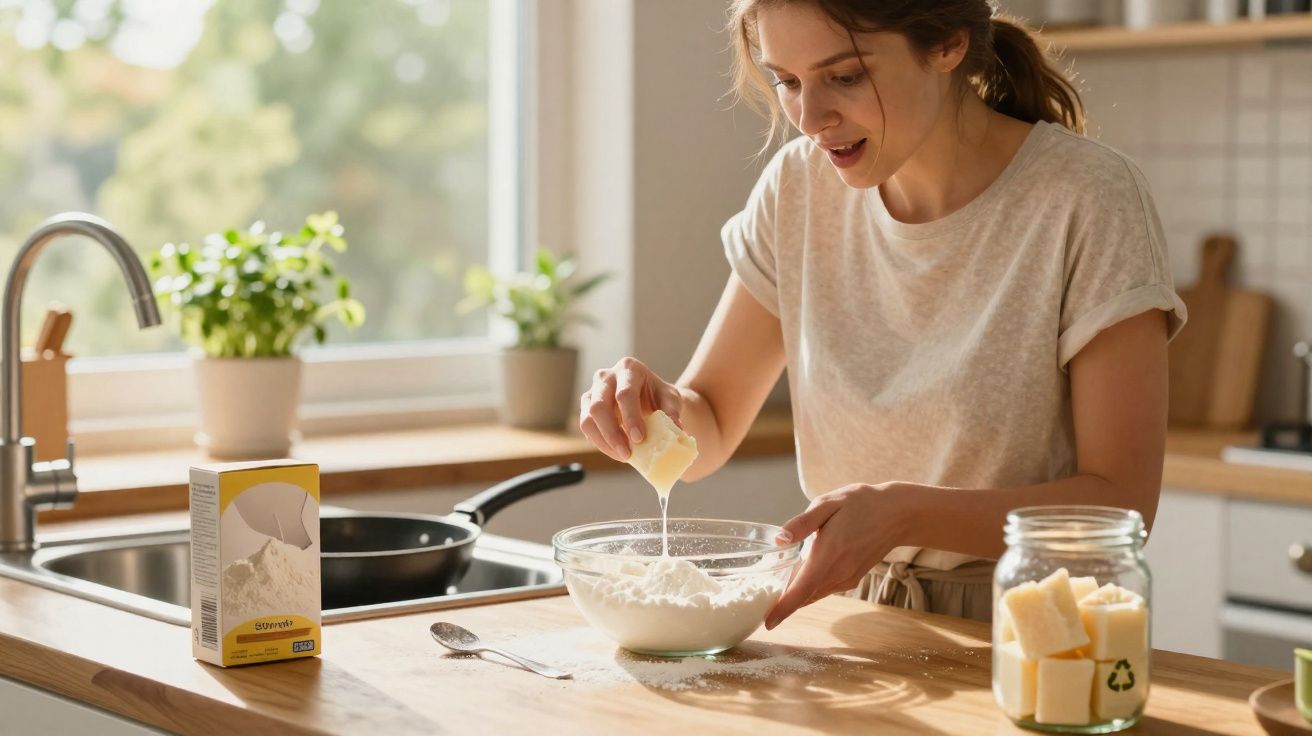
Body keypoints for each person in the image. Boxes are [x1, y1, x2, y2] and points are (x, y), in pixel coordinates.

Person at [577, 0, 1186, 627]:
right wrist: (657, 412)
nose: (810, 119)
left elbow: (1123, 510)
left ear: (947, 44)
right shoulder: (797, 188)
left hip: (1029, 629)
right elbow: (711, 419)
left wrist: (905, 514)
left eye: (845, 76)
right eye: (787, 81)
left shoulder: (1088, 199)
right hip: (848, 620)